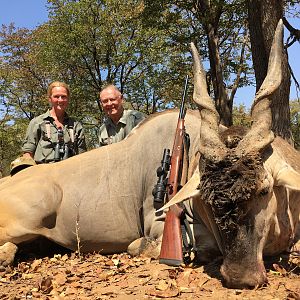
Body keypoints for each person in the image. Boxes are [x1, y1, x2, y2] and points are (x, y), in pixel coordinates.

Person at [21, 81, 87, 164]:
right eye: (56, 96)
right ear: (50, 99)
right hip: (42, 172)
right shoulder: (37, 122)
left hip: (70, 171)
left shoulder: (76, 125)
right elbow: (27, 154)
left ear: (68, 99)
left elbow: (83, 155)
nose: (60, 100)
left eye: (64, 97)